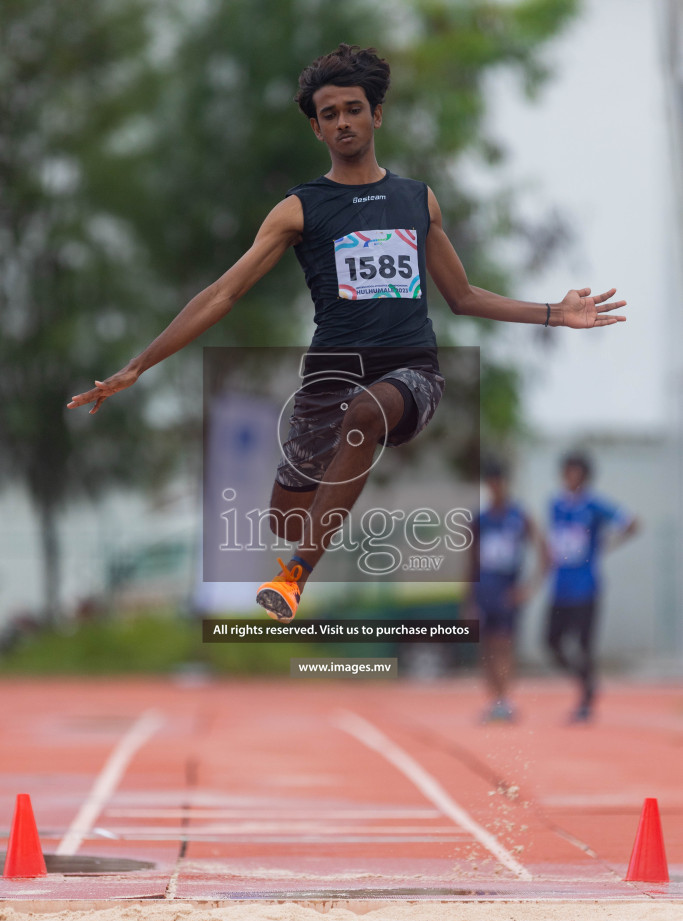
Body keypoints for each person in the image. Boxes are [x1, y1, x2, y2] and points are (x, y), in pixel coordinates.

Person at [68, 44, 627, 623]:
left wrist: (553, 313)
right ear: (316, 127)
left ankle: (293, 579)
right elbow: (222, 294)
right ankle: (313, 530)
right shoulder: (299, 210)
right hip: (328, 376)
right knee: (286, 519)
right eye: (329, 114)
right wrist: (139, 365)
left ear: (376, 115)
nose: (343, 122)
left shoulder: (417, 200)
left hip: (411, 372)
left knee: (368, 413)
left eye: (353, 109)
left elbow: (462, 297)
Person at [546, 451, 639, 723]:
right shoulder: (555, 505)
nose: (571, 477)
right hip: (560, 588)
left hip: (586, 588)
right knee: (551, 642)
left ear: (585, 476)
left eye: (576, 472)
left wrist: (606, 544)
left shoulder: (594, 506)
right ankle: (586, 680)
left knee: (584, 645)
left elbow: (632, 522)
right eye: (568, 471)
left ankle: (586, 696)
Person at [469, 459, 548, 723]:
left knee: (503, 645)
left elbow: (545, 553)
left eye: (498, 483)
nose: (495, 488)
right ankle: (493, 699)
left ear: (505, 484)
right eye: (490, 484)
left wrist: (529, 588)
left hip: (507, 590)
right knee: (486, 647)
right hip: (484, 590)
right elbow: (470, 561)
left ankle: (505, 700)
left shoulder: (519, 516)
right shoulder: (480, 520)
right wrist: (467, 598)